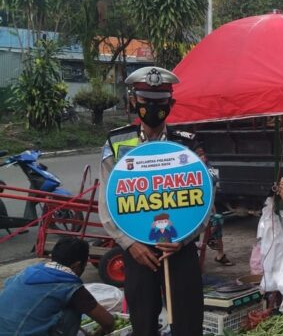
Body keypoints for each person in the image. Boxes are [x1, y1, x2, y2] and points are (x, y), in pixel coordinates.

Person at [98, 66, 206, 336]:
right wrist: (130, 244)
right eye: (146, 101)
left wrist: (185, 239)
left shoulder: (189, 146)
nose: (153, 108)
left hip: (180, 248)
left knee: (188, 323)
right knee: (143, 324)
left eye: (160, 103)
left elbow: (205, 201)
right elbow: (107, 203)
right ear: (134, 101)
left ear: (171, 104)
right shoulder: (116, 143)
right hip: (138, 251)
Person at [0, 237, 115, 336]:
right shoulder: (69, 286)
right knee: (74, 309)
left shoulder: (28, 272)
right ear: (77, 265)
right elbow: (108, 321)